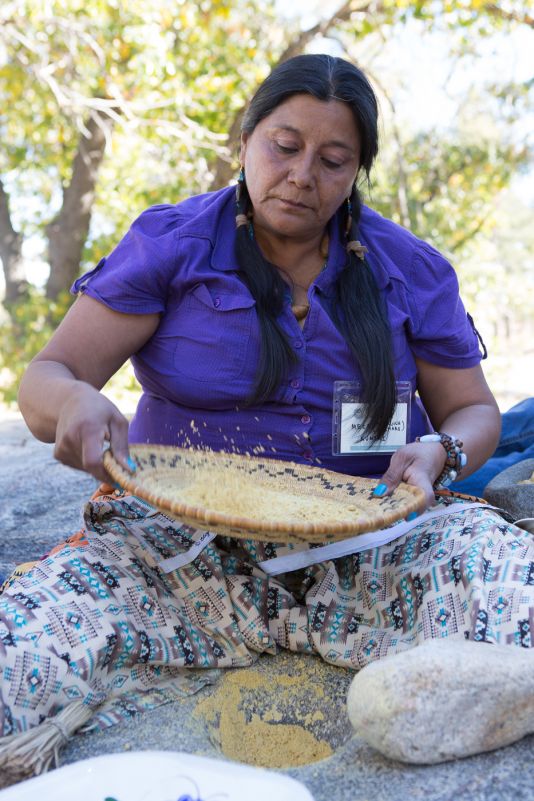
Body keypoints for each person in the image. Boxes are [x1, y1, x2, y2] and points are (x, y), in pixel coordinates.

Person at [1, 54, 532, 774]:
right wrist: (74, 402)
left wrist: (445, 450)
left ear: (355, 173)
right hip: (180, 554)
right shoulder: (175, 243)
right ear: (246, 139)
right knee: (21, 647)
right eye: (284, 147)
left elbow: (471, 409)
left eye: (333, 159)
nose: (304, 174)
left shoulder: (410, 267)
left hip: (371, 547)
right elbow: (49, 376)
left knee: (514, 587)